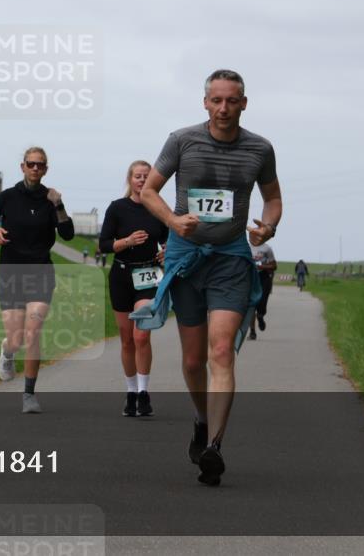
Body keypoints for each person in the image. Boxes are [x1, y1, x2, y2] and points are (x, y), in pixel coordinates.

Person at [136, 69, 282, 486]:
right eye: (216, 100)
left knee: (222, 351)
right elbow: (149, 191)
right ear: (205, 103)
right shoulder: (182, 140)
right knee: (192, 359)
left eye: (232, 101)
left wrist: (268, 227)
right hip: (186, 258)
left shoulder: (259, 148)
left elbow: (272, 198)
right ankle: (202, 420)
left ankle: (215, 446)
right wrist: (172, 220)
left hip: (231, 258)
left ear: (244, 103)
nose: (223, 108)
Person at [0, 147, 75, 414]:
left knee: (33, 331)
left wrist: (59, 205)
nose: (35, 168)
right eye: (31, 164)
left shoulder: (51, 199)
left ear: (46, 169)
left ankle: (29, 394)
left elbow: (68, 234)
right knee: (16, 338)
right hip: (11, 272)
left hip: (40, 271)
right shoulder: (7, 197)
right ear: (23, 166)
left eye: (40, 165)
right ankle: (8, 351)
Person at [99, 160, 168, 417]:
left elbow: (170, 239)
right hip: (121, 276)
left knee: (142, 336)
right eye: (138, 176)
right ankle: (130, 392)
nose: (141, 180)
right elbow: (104, 244)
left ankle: (143, 392)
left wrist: (167, 251)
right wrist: (126, 241)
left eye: (146, 176)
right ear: (130, 179)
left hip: (149, 276)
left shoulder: (158, 208)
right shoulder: (117, 208)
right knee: (127, 339)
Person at [249, 238, 277, 339]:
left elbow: (274, 265)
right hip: (250, 277)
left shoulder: (267, 248)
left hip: (263, 278)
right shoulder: (246, 247)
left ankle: (260, 316)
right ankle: (252, 331)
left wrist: (263, 267)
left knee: (261, 302)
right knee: (251, 306)